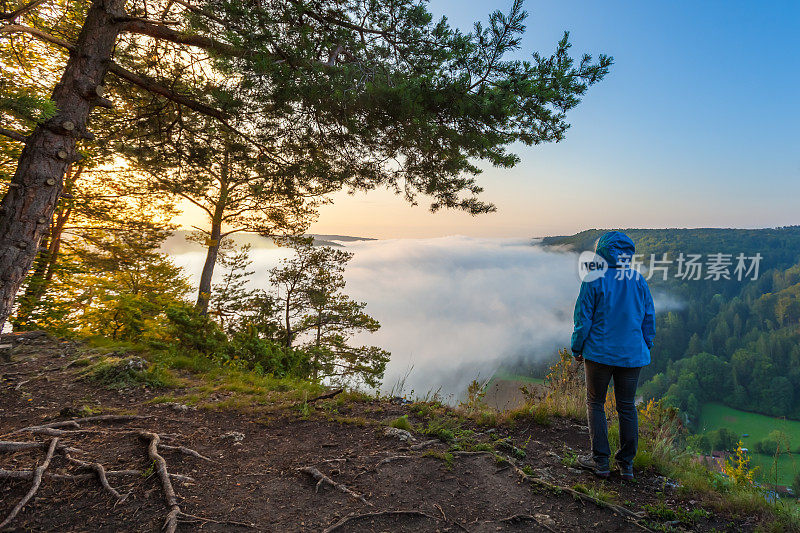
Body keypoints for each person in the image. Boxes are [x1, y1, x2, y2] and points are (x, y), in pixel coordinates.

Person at [570, 231, 655, 481]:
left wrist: (577, 348)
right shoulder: (638, 280)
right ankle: (626, 465)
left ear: (602, 251)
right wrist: (646, 343)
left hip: (599, 354)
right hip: (632, 356)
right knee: (626, 407)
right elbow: (648, 316)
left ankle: (600, 462)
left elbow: (582, 319)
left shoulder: (594, 278)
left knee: (595, 403)